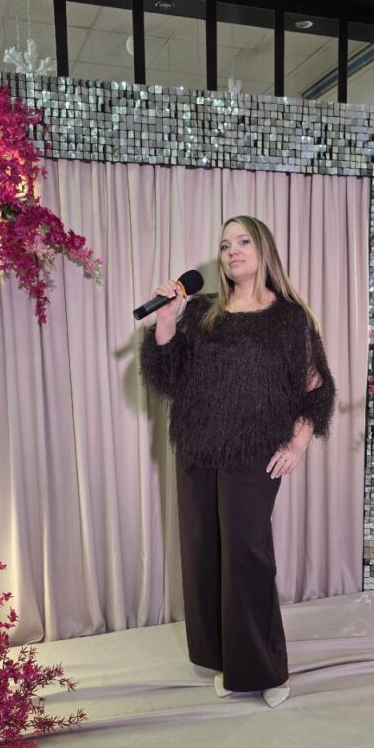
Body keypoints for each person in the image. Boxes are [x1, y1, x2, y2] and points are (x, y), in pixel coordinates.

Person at [139, 215, 335, 707]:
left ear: (263, 249)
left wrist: (297, 444)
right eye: (225, 245)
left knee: (246, 554)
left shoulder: (289, 317)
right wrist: (167, 321)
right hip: (198, 448)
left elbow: (315, 387)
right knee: (204, 551)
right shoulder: (202, 310)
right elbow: (166, 377)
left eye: (243, 241)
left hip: (254, 451)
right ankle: (229, 662)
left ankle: (269, 672)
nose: (233, 252)